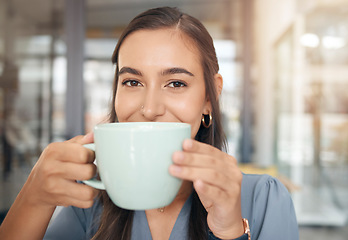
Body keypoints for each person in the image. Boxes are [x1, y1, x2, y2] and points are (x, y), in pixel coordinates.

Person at [0, 7, 298, 240]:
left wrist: (230, 230)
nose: (150, 109)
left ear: (211, 97)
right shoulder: (89, 205)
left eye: (176, 83)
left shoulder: (264, 200)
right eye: (132, 81)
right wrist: (34, 198)